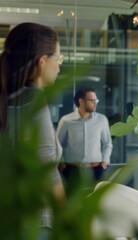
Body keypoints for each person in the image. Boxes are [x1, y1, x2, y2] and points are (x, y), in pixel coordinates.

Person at [0, 22, 66, 239]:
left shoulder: (7, 97)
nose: (60, 66)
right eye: (59, 58)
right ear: (43, 61)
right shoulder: (34, 100)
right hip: (35, 222)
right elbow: (47, 171)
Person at [56, 87, 112, 192]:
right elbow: (57, 144)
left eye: (96, 100)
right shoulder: (66, 121)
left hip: (96, 171)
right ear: (81, 101)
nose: (96, 103)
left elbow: (107, 143)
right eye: (92, 101)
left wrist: (104, 162)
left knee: (94, 204)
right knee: (72, 203)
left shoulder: (102, 120)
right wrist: (62, 162)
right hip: (72, 170)